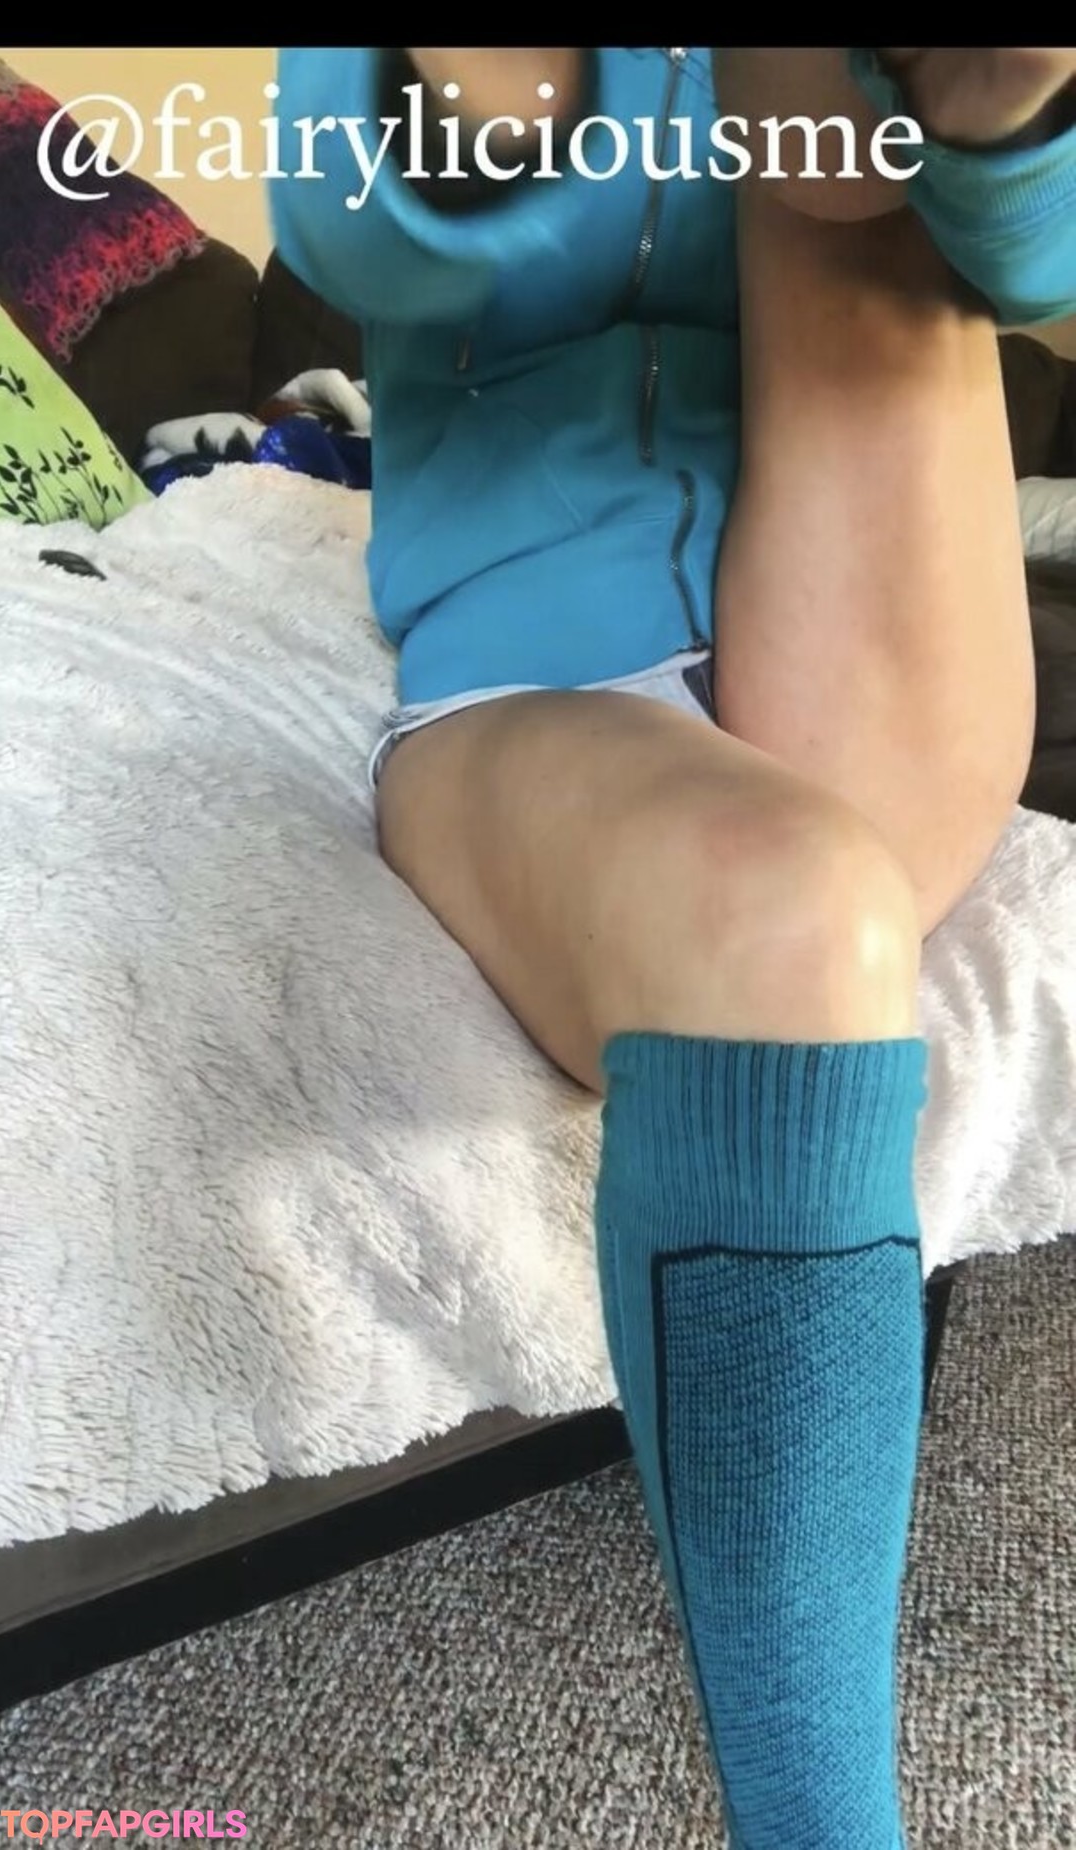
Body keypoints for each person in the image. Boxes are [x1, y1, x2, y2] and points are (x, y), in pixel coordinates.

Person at [270, 48, 1076, 1848]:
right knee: (792, 916)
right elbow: (343, 221)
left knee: (843, 129)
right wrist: (511, 102)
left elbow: (1042, 261)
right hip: (533, 674)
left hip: (889, 642)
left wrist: (993, 111)